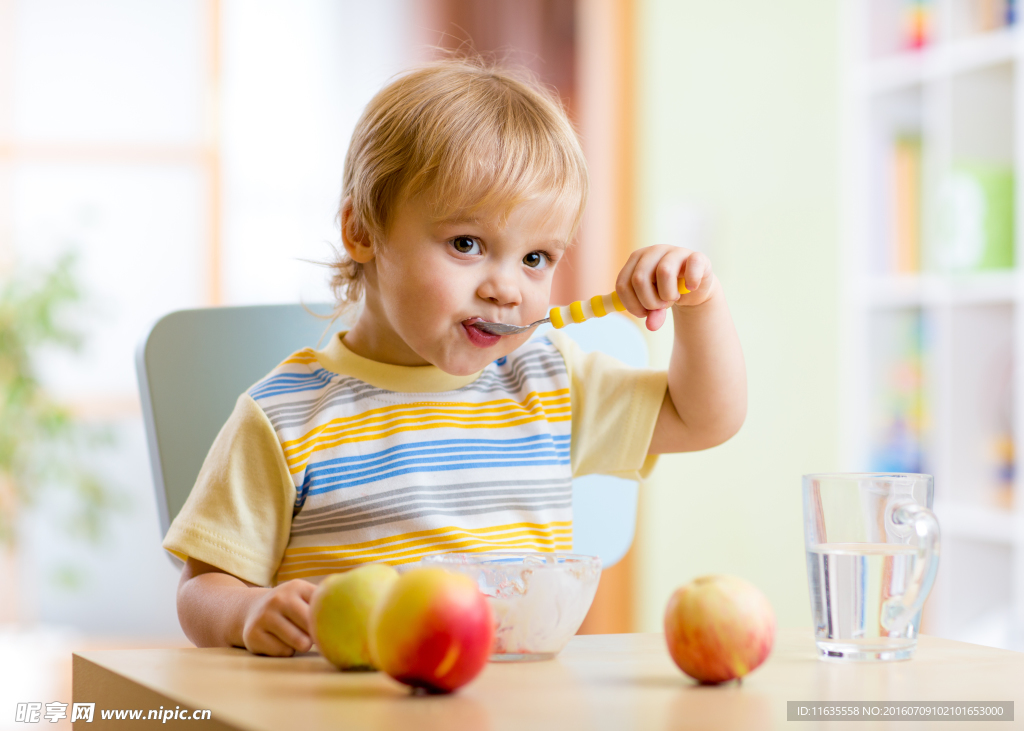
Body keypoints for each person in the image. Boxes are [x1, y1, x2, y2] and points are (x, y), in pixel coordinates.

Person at [164, 58, 746, 657]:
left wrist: (700, 306)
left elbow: (704, 417)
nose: (508, 288)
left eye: (537, 258)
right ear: (362, 230)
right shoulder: (284, 416)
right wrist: (246, 612)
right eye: (467, 244)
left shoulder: (547, 379)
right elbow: (201, 589)